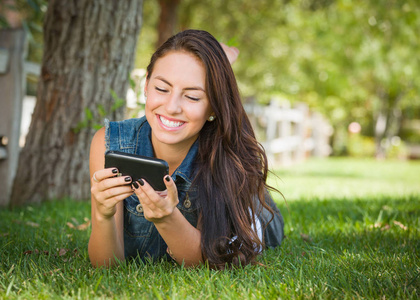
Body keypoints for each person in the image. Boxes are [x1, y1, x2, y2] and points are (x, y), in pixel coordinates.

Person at [88, 29, 284, 269]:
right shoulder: (110, 142)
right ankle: (219, 60)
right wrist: (103, 214)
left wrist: (166, 216)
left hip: (252, 212)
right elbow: (106, 266)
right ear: (146, 85)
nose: (172, 107)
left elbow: (209, 263)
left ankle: (222, 62)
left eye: (192, 97)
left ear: (213, 106)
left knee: (256, 215)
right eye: (162, 89)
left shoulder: (226, 157)